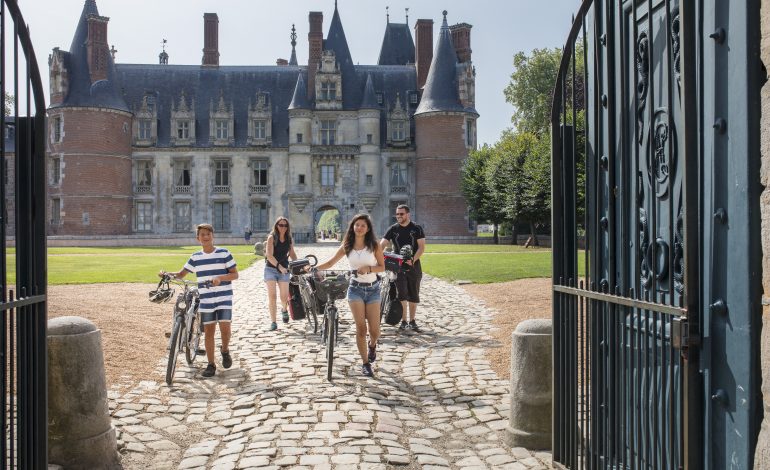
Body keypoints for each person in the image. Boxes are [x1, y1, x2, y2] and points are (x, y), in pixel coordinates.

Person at [160, 223, 239, 378]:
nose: (206, 237)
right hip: (206, 299)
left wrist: (220, 278)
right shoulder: (195, 257)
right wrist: (167, 274)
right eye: (202, 234)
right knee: (209, 331)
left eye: (208, 234)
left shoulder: (224, 253)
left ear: (213, 236)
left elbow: (235, 274)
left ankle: (225, 350)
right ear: (198, 238)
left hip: (224, 296)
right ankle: (211, 364)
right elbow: (181, 274)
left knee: (225, 329)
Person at [314, 213, 385, 377]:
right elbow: (331, 262)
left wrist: (369, 269)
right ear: (353, 226)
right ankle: (365, 363)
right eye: (357, 224)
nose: (359, 228)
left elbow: (382, 267)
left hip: (373, 289)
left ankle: (372, 344)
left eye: (363, 225)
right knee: (361, 328)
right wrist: (314, 268)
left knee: (375, 331)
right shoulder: (347, 245)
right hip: (355, 289)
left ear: (368, 229)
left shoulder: (374, 245)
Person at [380, 204, 426, 331]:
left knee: (414, 293)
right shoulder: (393, 229)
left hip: (414, 265)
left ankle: (412, 321)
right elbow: (382, 244)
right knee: (402, 294)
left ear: (408, 214)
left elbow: (421, 247)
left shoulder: (417, 228)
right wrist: (378, 255)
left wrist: (413, 259)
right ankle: (404, 321)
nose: (399, 216)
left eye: (401, 214)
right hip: (398, 266)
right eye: (397, 214)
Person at [264, 216, 298, 331]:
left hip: (284, 270)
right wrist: (280, 267)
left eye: (285, 225)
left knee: (284, 297)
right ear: (276, 226)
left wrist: (298, 264)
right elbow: (269, 255)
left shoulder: (289, 238)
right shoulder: (271, 238)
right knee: (272, 296)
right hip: (271, 269)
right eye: (281, 225)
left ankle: (284, 309)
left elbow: (292, 253)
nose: (283, 227)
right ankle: (273, 322)